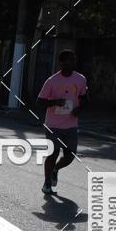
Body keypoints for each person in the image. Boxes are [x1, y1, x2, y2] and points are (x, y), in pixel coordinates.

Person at [37, 50, 88, 195]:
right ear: (61, 62)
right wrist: (54, 102)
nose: (72, 63)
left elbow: (85, 97)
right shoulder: (52, 81)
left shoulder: (80, 79)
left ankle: (55, 169)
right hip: (53, 125)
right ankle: (47, 184)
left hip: (71, 124)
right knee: (53, 153)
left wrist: (79, 109)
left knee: (70, 155)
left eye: (73, 60)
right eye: (68, 61)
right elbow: (39, 102)